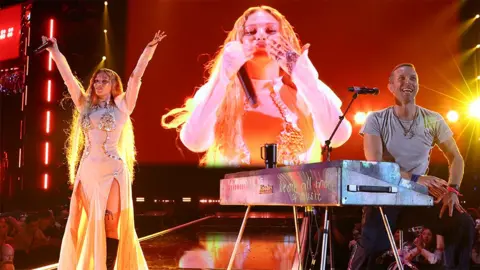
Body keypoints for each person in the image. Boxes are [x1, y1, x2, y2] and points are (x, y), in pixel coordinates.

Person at [161, 5, 351, 167]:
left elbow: (337, 137)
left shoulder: (306, 90)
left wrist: (304, 77)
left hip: (295, 207)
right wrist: (223, 77)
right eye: (251, 32)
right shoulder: (218, 93)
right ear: (238, 41)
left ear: (285, 38)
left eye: (270, 31)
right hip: (237, 208)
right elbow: (194, 142)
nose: (260, 36)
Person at [44, 30, 166, 269]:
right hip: (88, 170)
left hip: (112, 170)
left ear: (113, 85)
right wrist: (55, 52)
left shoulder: (123, 104)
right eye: (96, 81)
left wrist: (148, 50)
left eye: (104, 81)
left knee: (111, 222)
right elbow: (69, 79)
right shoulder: (84, 105)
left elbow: (136, 77)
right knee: (86, 222)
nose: (98, 84)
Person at [348, 63, 475, 270]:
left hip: (417, 196)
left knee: (462, 223)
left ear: (418, 85)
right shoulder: (376, 119)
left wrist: (452, 189)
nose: (408, 82)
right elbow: (376, 167)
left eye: (413, 78)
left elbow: (456, 157)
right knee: (372, 245)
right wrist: (416, 177)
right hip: (386, 195)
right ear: (390, 86)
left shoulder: (433, 119)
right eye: (402, 78)